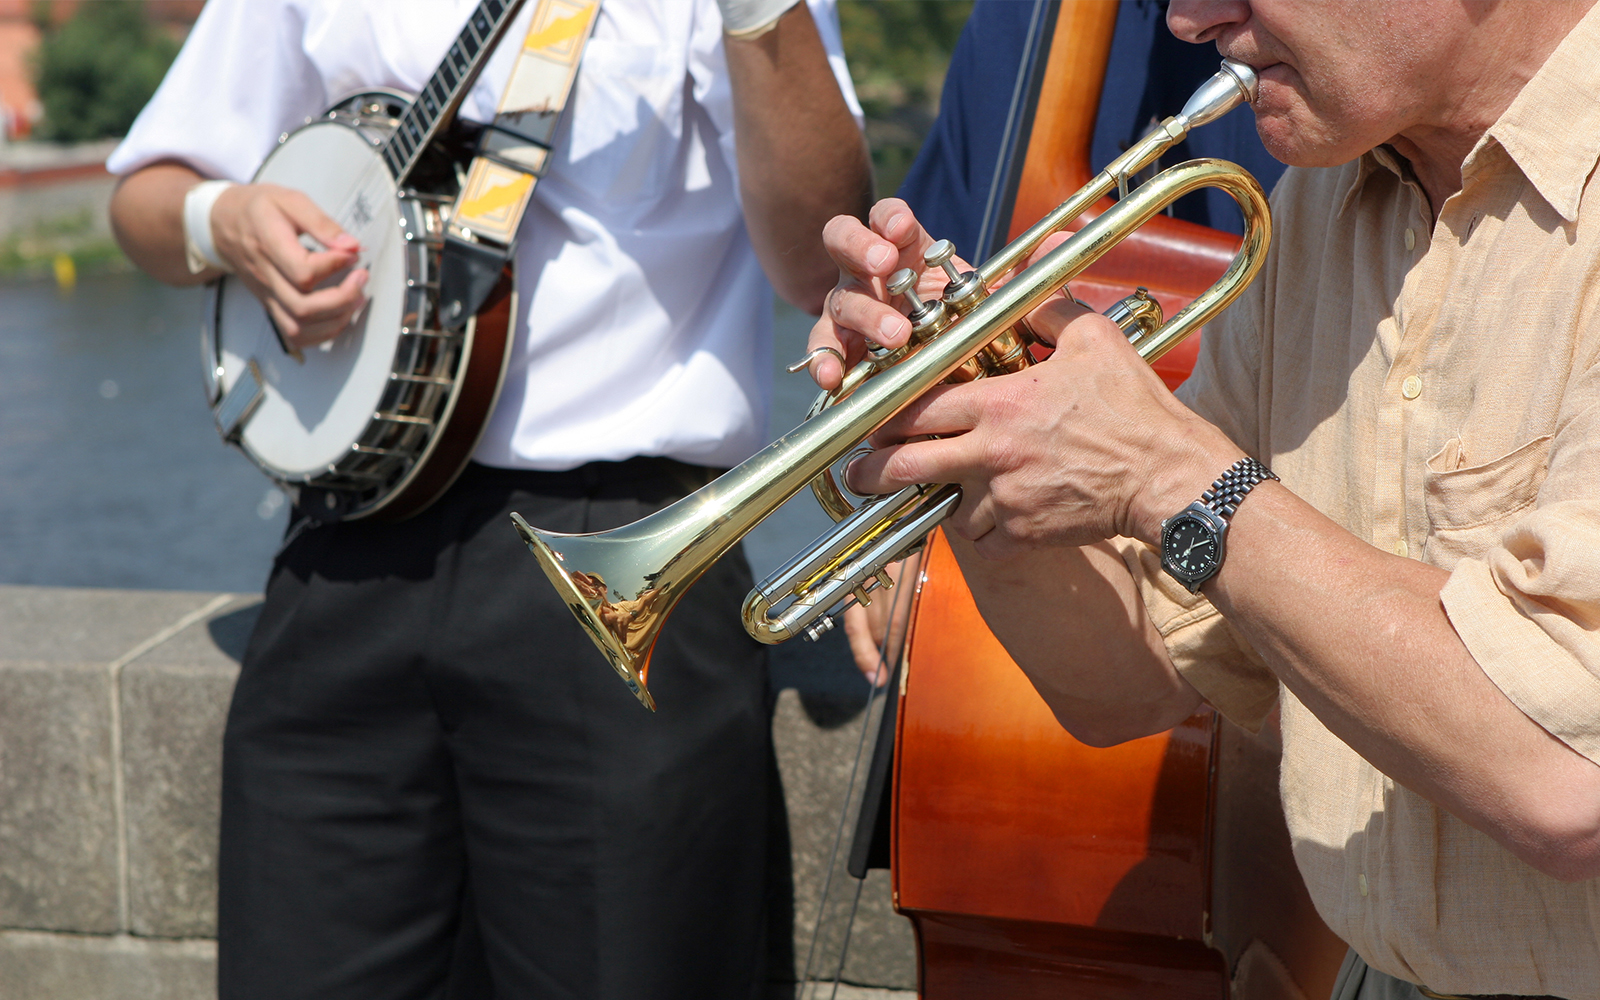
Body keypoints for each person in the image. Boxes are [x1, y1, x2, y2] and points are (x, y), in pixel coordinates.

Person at [810, 1, 1600, 998]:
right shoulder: (1327, 202)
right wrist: (973, 441)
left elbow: (1567, 769)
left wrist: (1174, 477)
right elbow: (1133, 676)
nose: (1185, 20)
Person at [107, 0, 871, 997]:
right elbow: (144, 200)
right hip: (348, 546)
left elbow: (819, 259)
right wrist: (227, 218)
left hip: (622, 561)